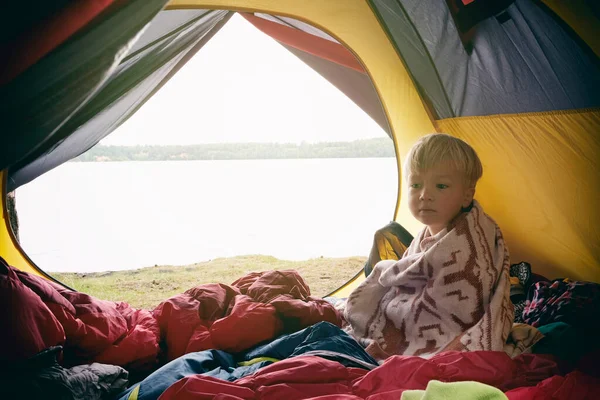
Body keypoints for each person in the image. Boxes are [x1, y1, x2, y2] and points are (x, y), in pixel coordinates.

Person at [344, 133, 513, 360]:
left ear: (466, 195)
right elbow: (410, 278)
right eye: (415, 184)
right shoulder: (427, 232)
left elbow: (460, 307)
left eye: (441, 186)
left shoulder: (469, 245)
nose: (425, 195)